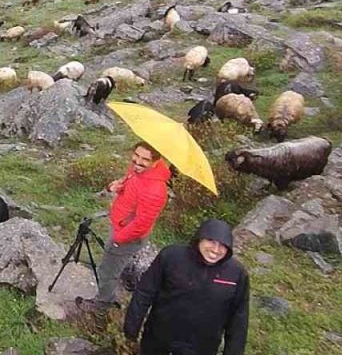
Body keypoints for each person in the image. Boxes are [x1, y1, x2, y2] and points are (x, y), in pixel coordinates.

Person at [123, 219, 250, 354]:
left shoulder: (236, 274)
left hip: (201, 347)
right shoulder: (171, 257)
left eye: (223, 246)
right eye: (211, 242)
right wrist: (131, 328)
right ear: (199, 238)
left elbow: (238, 319)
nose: (216, 250)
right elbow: (145, 292)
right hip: (158, 338)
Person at [77, 141, 171, 311]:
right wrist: (119, 187)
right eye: (136, 155)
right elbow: (130, 184)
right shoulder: (138, 171)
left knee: (108, 270)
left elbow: (141, 225)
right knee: (111, 263)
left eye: (144, 159)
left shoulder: (155, 190)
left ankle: (102, 304)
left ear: (156, 161)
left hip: (126, 236)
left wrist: (118, 239)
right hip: (121, 225)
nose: (137, 162)